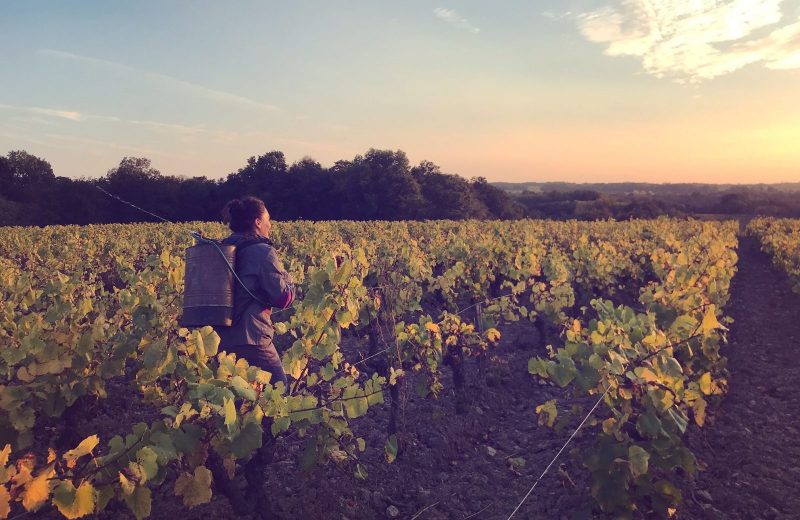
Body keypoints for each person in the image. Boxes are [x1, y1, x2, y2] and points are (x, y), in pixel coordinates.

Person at [214, 196, 294, 388]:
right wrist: (288, 279)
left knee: (237, 399)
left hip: (219, 338)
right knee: (278, 390)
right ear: (257, 222)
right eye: (268, 220)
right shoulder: (262, 251)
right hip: (252, 337)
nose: (270, 225)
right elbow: (283, 298)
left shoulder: (221, 248)